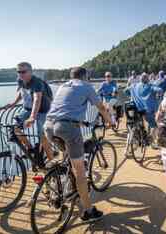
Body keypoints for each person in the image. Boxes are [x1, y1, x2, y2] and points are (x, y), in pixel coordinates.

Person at [44, 67, 113, 222]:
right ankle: (88, 211)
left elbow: (65, 107)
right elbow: (101, 107)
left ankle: (61, 188)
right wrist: (111, 121)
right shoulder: (86, 86)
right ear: (85, 76)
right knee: (79, 172)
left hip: (49, 126)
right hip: (67, 128)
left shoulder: (63, 86)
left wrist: (78, 120)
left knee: (66, 158)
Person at [6, 62, 54, 162]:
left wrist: (32, 117)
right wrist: (13, 103)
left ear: (31, 72)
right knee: (14, 128)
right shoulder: (20, 80)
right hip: (27, 108)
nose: (21, 74)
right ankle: (31, 148)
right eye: (18, 72)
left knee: (42, 136)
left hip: (43, 110)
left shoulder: (37, 82)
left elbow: (37, 99)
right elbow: (21, 93)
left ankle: (53, 164)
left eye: (23, 72)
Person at [125, 72, 162, 147]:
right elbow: (160, 90)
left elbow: (125, 91)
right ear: (147, 79)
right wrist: (158, 95)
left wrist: (132, 96)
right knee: (154, 125)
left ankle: (139, 138)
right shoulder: (150, 86)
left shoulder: (134, 85)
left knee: (139, 123)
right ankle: (150, 139)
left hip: (136, 109)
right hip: (147, 110)